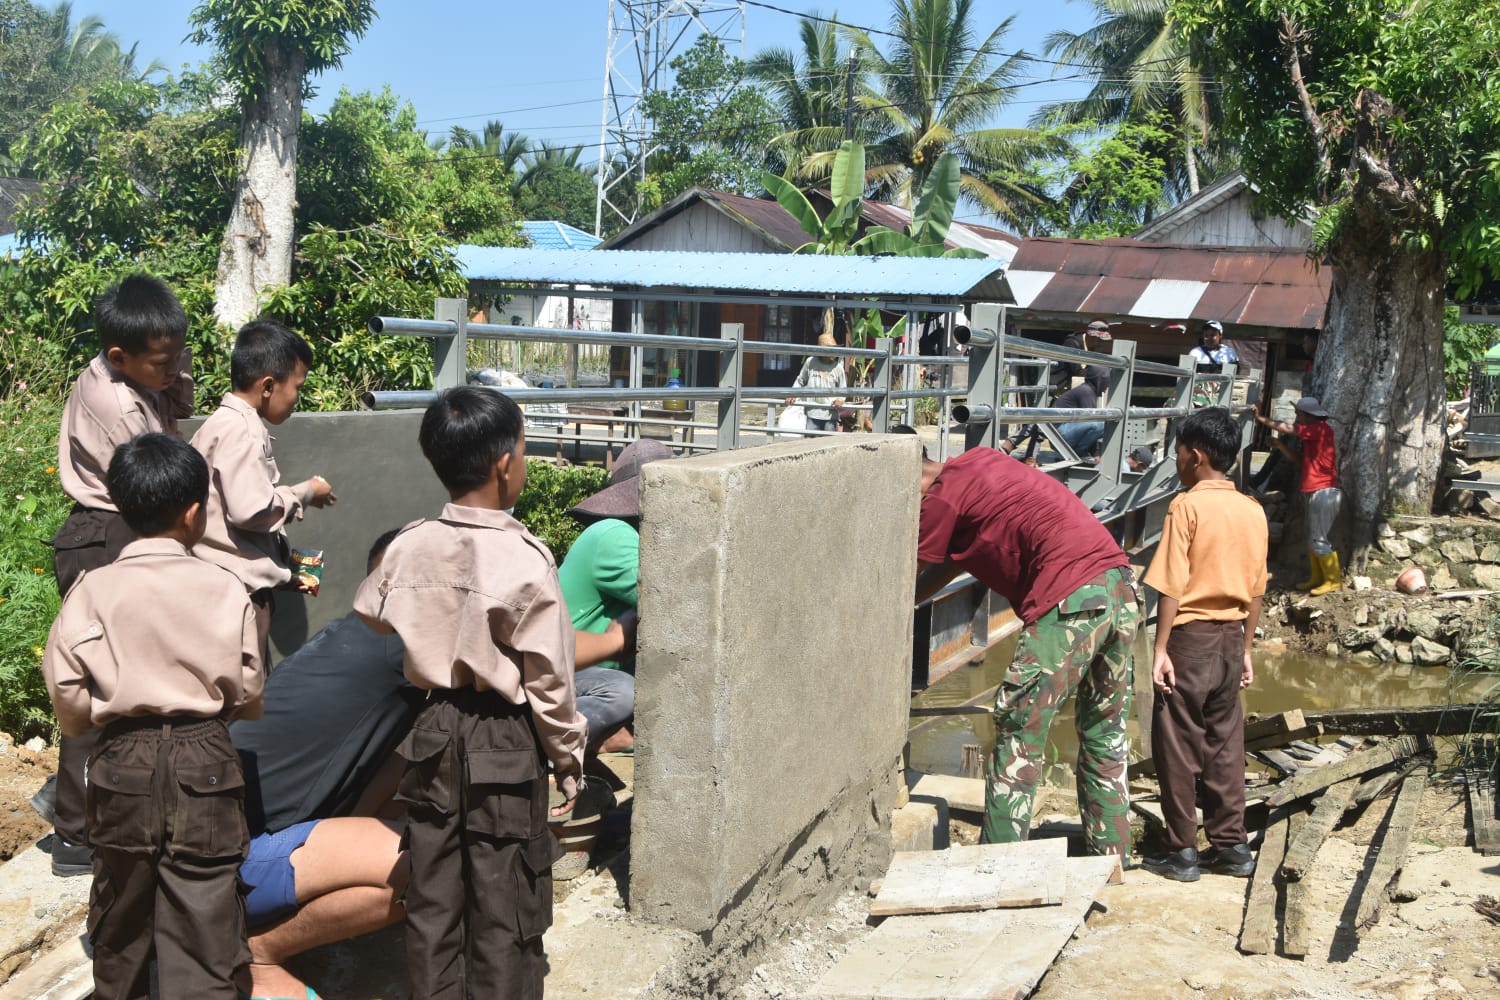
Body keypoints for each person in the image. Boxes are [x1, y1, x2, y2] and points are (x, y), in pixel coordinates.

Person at [355, 386, 586, 1000]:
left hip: (433, 730)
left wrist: (434, 630)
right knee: (506, 901)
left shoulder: (409, 543)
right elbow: (549, 681)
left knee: (434, 899)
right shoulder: (526, 558)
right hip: (503, 738)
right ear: (504, 463)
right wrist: (567, 758)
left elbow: (372, 611)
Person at [42, 433, 264, 999]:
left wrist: (91, 722)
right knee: (208, 922)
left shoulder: (93, 589)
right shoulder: (225, 586)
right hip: (206, 757)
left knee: (121, 917)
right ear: (194, 514)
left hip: (122, 761)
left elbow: (66, 688)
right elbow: (249, 689)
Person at [912, 442, 1140, 859]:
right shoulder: (980, 463)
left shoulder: (939, 497)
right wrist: (911, 601)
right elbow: (952, 564)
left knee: (1019, 732)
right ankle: (1113, 861)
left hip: (1070, 600)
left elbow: (910, 566)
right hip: (1121, 588)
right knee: (1105, 734)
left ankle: (999, 864)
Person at [47, 273, 194, 877]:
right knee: (102, 682)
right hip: (107, 534)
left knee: (134, 681)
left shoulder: (145, 375)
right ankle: (75, 834)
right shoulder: (109, 398)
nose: (173, 368)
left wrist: (173, 366)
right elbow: (156, 479)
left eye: (177, 353)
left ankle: (109, 809)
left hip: (128, 528)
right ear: (119, 356)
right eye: (162, 361)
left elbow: (180, 402)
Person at [231, 528, 416, 1000]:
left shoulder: (353, 637)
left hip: (228, 846)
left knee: (408, 777)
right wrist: (621, 633)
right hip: (235, 866)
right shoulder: (401, 645)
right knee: (436, 866)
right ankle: (260, 953)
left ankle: (328, 879)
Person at [1140, 408, 1268, 882]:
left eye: (1177, 451)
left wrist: (1159, 651)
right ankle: (1232, 847)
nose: (1175, 459)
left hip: (1191, 638)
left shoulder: (1187, 505)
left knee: (1175, 740)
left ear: (1195, 455)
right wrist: (1249, 648)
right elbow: (1257, 588)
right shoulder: (1252, 510)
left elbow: (1171, 585)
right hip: (1233, 638)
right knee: (1224, 743)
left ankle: (1181, 850)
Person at [192, 320, 337, 654]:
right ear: (269, 386)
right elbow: (250, 511)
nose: (298, 397)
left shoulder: (219, 424)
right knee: (245, 692)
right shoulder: (243, 429)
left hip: (217, 587)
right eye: (297, 387)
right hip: (237, 594)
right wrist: (303, 493)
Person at [1254, 396, 1343, 594]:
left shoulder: (1320, 429)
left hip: (1324, 492)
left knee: (1319, 539)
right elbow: (1298, 460)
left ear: (1308, 415)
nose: (1296, 417)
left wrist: (1261, 418)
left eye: (1298, 414)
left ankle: (1333, 580)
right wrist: (1280, 446)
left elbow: (1288, 429)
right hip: (1317, 491)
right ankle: (1318, 578)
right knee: (1313, 537)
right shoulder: (1314, 435)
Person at [786, 330, 847, 432]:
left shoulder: (838, 368)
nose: (834, 353)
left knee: (827, 443)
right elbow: (800, 381)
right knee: (811, 442)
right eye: (830, 350)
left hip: (830, 413)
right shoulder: (810, 362)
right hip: (812, 411)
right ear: (821, 351)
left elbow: (843, 388)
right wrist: (793, 394)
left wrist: (840, 400)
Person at [1053, 365, 1110, 458]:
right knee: (1101, 424)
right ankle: (1077, 454)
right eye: (1106, 380)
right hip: (1059, 435)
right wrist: (1096, 454)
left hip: (1065, 431)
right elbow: (1092, 422)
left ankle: (1086, 453)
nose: (1107, 385)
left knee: (1101, 423)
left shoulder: (1089, 390)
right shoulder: (1086, 392)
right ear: (1099, 379)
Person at [1050, 319, 1112, 395]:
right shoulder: (1072, 344)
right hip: (1058, 389)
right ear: (1090, 335)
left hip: (1073, 389)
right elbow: (1077, 371)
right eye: (1099, 339)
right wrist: (1099, 372)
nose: (1100, 343)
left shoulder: (1093, 348)